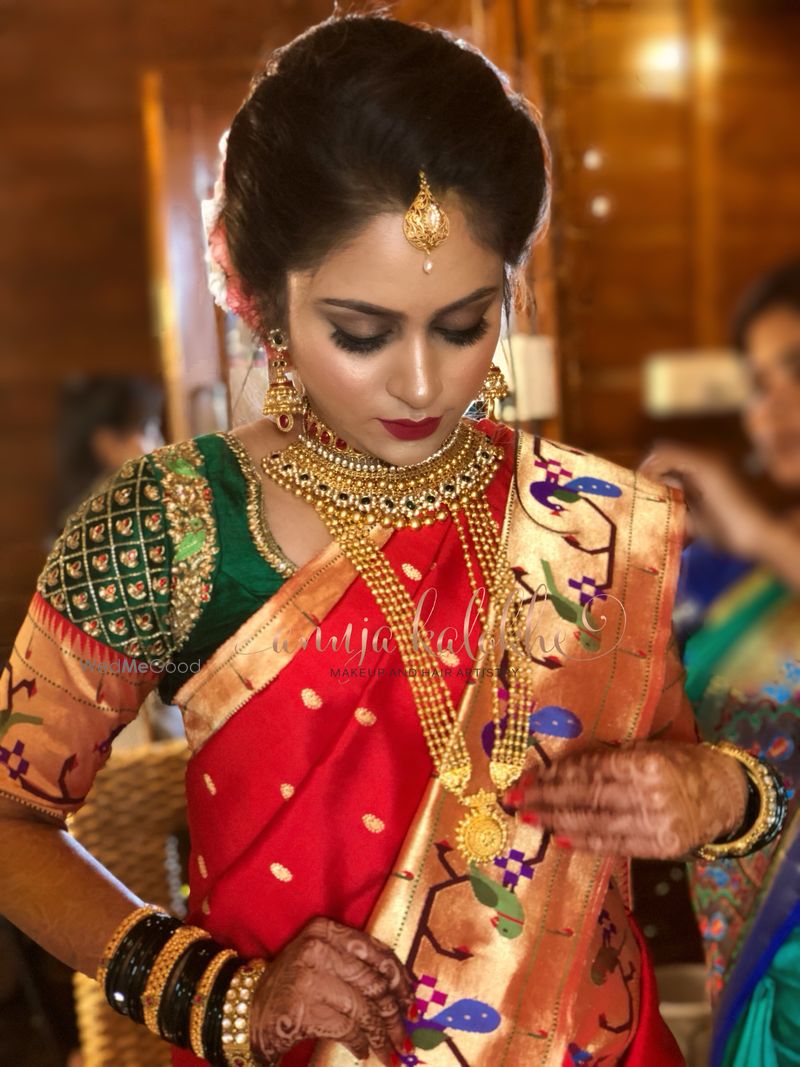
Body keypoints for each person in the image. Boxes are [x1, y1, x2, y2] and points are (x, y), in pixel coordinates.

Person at [0, 15, 786, 1067]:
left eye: (464, 323)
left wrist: (714, 793)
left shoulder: (592, 520)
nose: (422, 384)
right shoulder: (173, 526)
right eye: (361, 332)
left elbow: (718, 768)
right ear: (252, 291)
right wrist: (219, 995)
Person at [640, 259, 800, 1067]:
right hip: (751, 968)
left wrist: (755, 532)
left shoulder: (761, 547)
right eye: (757, 380)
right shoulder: (736, 577)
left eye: (795, 371)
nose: (768, 408)